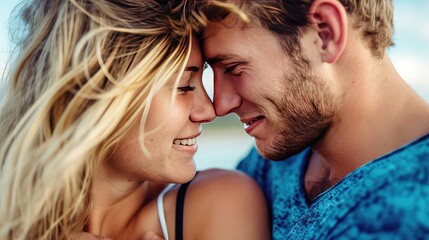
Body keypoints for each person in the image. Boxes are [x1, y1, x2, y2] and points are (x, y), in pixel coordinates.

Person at [0, 0, 270, 239]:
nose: (209, 111)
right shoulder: (11, 213)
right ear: (95, 97)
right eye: (185, 85)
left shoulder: (218, 203)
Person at [193, 0, 429, 239]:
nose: (220, 106)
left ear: (325, 33)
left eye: (234, 68)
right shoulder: (284, 149)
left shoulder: (415, 208)